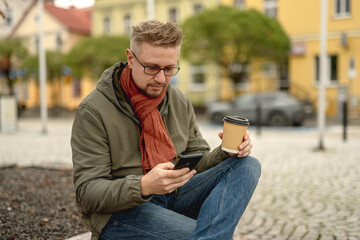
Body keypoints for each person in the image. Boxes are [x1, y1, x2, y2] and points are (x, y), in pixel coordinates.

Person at [71, 20, 261, 240]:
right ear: (131, 59)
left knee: (247, 165)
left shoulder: (179, 100)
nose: (161, 79)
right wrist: (143, 185)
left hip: (176, 194)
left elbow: (196, 165)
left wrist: (226, 152)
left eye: (170, 68)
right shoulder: (93, 110)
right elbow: (87, 194)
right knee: (196, 235)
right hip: (122, 212)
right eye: (152, 68)